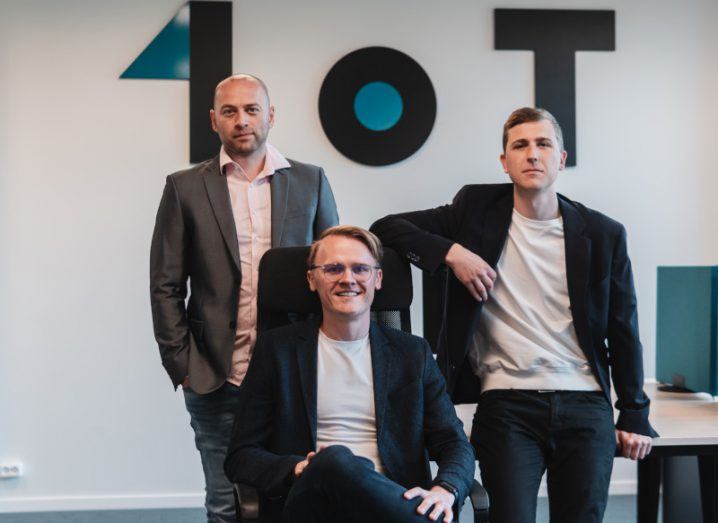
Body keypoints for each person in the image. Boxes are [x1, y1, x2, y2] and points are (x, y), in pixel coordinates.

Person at [370, 107, 657, 522]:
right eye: (520, 145)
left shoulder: (601, 233)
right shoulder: (474, 210)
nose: (532, 154)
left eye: (543, 144)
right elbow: (386, 227)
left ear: (561, 158)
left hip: (585, 402)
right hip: (506, 405)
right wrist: (453, 253)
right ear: (504, 162)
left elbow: (623, 328)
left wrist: (634, 412)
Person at [150, 74, 339, 523]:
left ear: (270, 116)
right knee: (225, 503)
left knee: (297, 496)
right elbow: (165, 284)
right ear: (214, 120)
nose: (242, 121)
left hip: (294, 374)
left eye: (252, 110)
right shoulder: (184, 188)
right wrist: (183, 366)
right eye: (230, 112)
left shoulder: (311, 182)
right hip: (217, 377)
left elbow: (334, 273)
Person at [224, 226, 475, 523]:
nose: (348, 279)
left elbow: (454, 443)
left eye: (360, 269)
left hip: (389, 503)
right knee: (335, 460)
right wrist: (297, 469)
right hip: (311, 506)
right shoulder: (277, 351)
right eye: (333, 269)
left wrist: (446, 489)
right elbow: (241, 455)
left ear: (378, 279)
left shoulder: (412, 354)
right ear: (312, 279)